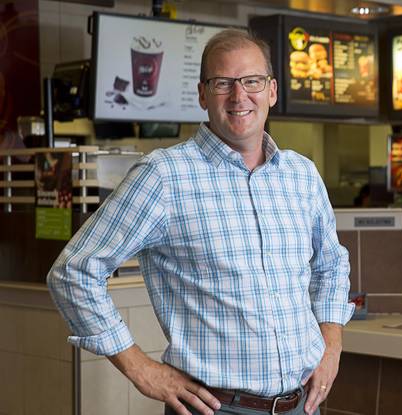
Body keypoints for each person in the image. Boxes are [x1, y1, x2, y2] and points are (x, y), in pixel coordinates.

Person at [47, 29, 353, 415]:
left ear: (272, 91)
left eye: (252, 81)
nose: (240, 96)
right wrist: (142, 369)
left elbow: (330, 263)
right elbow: (73, 272)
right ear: (203, 94)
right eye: (223, 83)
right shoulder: (164, 175)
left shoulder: (301, 175)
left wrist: (331, 344)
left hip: (302, 405)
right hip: (217, 408)